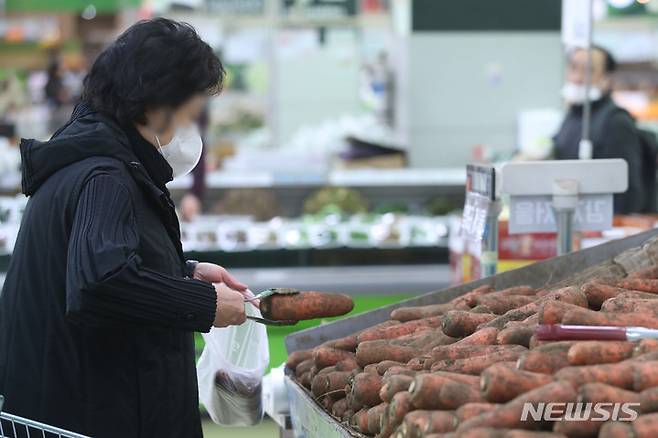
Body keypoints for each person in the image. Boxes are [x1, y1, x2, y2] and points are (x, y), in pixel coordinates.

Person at [0, 18, 252, 438]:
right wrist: (204, 303)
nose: (194, 126)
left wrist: (179, 272)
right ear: (155, 103)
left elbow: (93, 263)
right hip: (90, 415)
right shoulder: (106, 176)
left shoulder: (91, 159)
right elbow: (100, 283)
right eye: (192, 112)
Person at [553, 45, 645, 214]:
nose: (577, 77)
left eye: (588, 71)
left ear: (606, 79)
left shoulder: (616, 121)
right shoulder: (573, 114)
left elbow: (629, 191)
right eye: (573, 67)